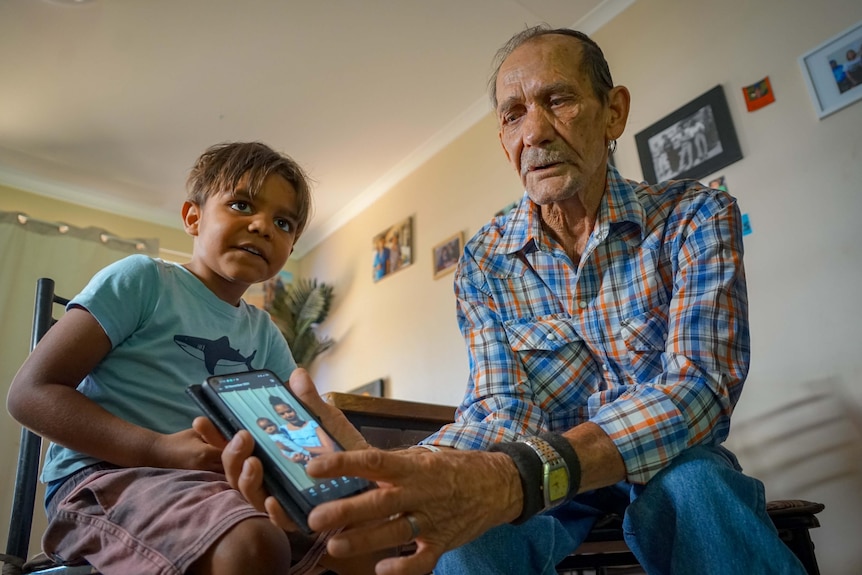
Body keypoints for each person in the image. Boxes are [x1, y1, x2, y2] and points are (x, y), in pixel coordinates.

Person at [221, 26, 808, 575]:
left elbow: (697, 387)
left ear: (614, 112)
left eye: (560, 100)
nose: (535, 132)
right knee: (472, 535)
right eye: (514, 115)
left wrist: (524, 473)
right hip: (544, 482)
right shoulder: (482, 260)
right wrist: (389, 468)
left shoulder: (695, 216)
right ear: (504, 141)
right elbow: (504, 411)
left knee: (696, 488)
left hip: (667, 460)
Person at [5, 141, 365, 574]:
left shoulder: (264, 332)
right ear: (193, 217)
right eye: (241, 204)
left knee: (369, 540)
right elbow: (29, 394)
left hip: (218, 490)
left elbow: (294, 432)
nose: (263, 226)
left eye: (283, 222)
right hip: (103, 479)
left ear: (289, 250)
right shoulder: (143, 280)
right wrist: (157, 448)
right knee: (254, 544)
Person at [269, 395, 337, 456]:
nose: (288, 415)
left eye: (289, 411)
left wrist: (296, 448)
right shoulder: (282, 431)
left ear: (294, 410)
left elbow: (329, 450)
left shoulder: (312, 424)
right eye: (282, 414)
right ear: (279, 416)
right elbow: (286, 452)